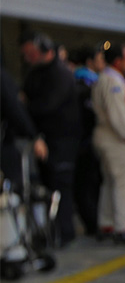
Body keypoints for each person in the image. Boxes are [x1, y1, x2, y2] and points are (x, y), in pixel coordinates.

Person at [20, 31, 81, 246]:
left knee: (60, 186)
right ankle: (50, 231)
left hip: (62, 141)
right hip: (44, 140)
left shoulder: (60, 74)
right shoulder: (34, 74)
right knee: (46, 187)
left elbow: (46, 105)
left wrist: (25, 107)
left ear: (43, 51)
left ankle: (63, 232)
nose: (27, 58)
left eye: (30, 53)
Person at [92, 43, 125, 244]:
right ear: (118, 61)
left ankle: (107, 224)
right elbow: (118, 115)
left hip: (110, 139)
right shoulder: (112, 82)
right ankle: (123, 228)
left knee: (111, 184)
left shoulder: (107, 79)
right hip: (118, 141)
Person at [68, 45, 104, 238]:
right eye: (99, 58)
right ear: (89, 62)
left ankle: (93, 222)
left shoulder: (77, 81)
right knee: (87, 184)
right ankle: (92, 224)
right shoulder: (86, 85)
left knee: (89, 184)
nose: (101, 62)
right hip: (85, 143)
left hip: (84, 142)